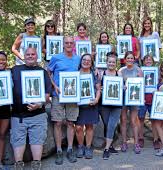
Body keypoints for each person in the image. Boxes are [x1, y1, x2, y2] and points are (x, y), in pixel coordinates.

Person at [10, 47, 52, 170]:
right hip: (18, 115)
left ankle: (36, 164)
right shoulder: (14, 70)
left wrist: (39, 104)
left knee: (37, 139)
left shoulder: (42, 72)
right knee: (18, 139)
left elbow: (47, 93)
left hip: (37, 115)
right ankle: (18, 164)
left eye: (33, 54)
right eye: (27, 54)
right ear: (24, 55)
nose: (30, 56)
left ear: (36, 56)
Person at [47, 36, 81, 165]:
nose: (68, 44)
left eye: (71, 43)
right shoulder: (56, 58)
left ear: (74, 45)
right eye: (66, 43)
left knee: (71, 123)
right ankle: (59, 150)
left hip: (72, 96)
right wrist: (54, 86)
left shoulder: (78, 59)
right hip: (58, 95)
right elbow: (48, 72)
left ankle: (70, 149)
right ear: (63, 44)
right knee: (57, 123)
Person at [75, 54, 101, 159]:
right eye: (84, 59)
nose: (86, 62)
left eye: (88, 60)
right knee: (78, 127)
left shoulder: (94, 74)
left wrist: (96, 100)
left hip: (91, 104)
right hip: (78, 105)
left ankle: (88, 147)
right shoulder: (75, 74)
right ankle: (80, 146)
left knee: (89, 126)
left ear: (91, 63)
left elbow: (98, 89)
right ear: (81, 61)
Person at [118, 51, 143, 154]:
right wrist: (122, 86)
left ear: (134, 59)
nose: (130, 60)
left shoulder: (138, 70)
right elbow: (118, 85)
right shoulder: (120, 71)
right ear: (125, 59)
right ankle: (124, 142)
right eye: (128, 58)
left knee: (134, 121)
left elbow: (141, 85)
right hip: (124, 98)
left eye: (131, 58)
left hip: (134, 98)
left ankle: (136, 143)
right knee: (123, 120)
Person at [99, 52, 122, 160]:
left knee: (112, 125)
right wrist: (101, 89)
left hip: (117, 105)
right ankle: (111, 145)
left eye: (113, 62)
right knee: (107, 125)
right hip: (104, 104)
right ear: (106, 62)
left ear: (116, 63)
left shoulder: (119, 74)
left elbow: (122, 87)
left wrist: (124, 88)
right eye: (109, 62)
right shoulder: (101, 73)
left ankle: (106, 149)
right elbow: (97, 87)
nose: (111, 63)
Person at [137, 55, 160, 149]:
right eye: (146, 60)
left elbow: (160, 84)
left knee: (154, 120)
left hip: (153, 97)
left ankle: (156, 139)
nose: (148, 61)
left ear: (153, 61)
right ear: (144, 61)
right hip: (143, 97)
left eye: (150, 60)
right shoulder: (140, 71)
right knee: (140, 119)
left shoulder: (157, 71)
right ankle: (141, 138)